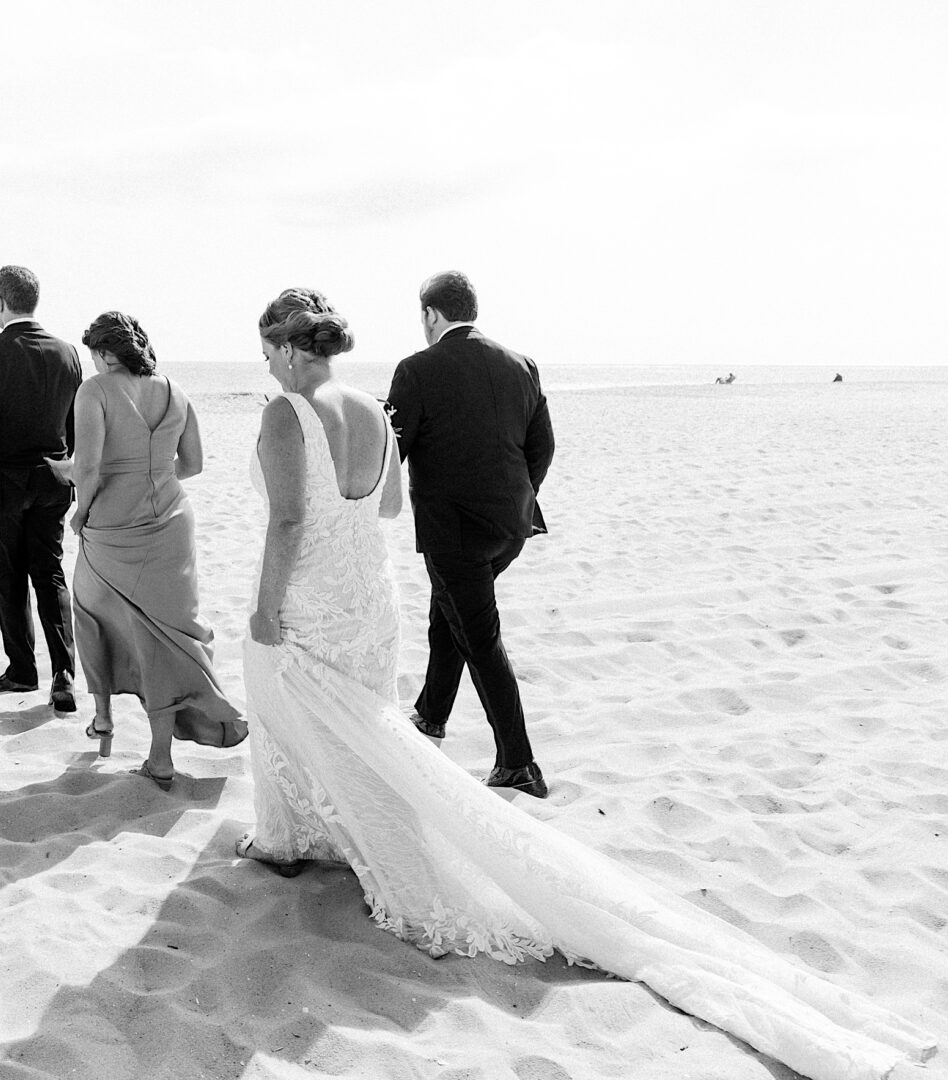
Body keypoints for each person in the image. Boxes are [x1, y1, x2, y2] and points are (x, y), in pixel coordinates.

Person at [238, 288, 933, 1080]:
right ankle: (329, 834)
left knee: (306, 710)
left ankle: (292, 841)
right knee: (369, 724)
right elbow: (389, 506)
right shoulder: (370, 405)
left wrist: (264, 608)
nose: (263, 363)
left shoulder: (282, 413)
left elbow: (288, 523)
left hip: (313, 599)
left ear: (288, 348)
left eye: (265, 350)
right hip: (369, 595)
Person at [59, 312, 247, 789]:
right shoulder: (176, 390)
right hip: (171, 525)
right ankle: (159, 757)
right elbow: (195, 464)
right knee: (168, 633)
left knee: (91, 612)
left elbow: (91, 468)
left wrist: (80, 510)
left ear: (103, 353)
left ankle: (102, 717)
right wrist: (153, 478)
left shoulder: (94, 391)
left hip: (113, 525)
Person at [386, 271, 554, 798]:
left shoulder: (415, 370)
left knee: (479, 637)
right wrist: (518, 497)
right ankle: (432, 713)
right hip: (512, 527)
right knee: (449, 614)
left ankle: (518, 762)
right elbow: (542, 447)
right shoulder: (520, 363)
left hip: (454, 530)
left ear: (431, 314)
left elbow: (394, 453)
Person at [0, 265, 82, 713]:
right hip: (53, 482)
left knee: (9, 578)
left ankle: (23, 671)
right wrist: (74, 476)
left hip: (3, 487)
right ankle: (64, 674)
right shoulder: (67, 353)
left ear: (0, 301)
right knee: (49, 572)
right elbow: (73, 424)